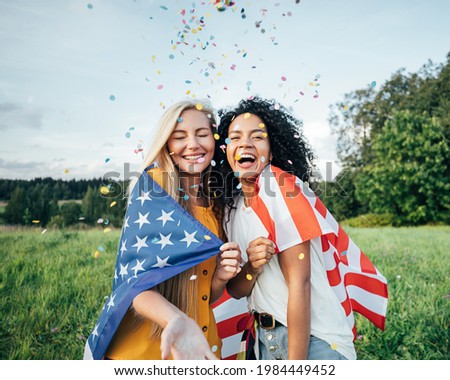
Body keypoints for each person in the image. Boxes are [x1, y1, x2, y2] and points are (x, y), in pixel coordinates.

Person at [212, 96, 388, 360]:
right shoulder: (232, 210)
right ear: (225, 150)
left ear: (271, 151)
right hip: (264, 341)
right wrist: (253, 267)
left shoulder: (283, 190)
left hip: (313, 342)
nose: (245, 143)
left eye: (257, 137)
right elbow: (237, 290)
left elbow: (300, 284)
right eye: (234, 137)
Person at [84, 99, 243, 360]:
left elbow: (206, 296)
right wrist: (178, 321)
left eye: (202, 134)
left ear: (215, 140)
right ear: (167, 145)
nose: (193, 144)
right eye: (179, 136)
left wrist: (220, 277)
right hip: (147, 352)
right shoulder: (155, 188)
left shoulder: (215, 204)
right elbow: (136, 285)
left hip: (200, 347)